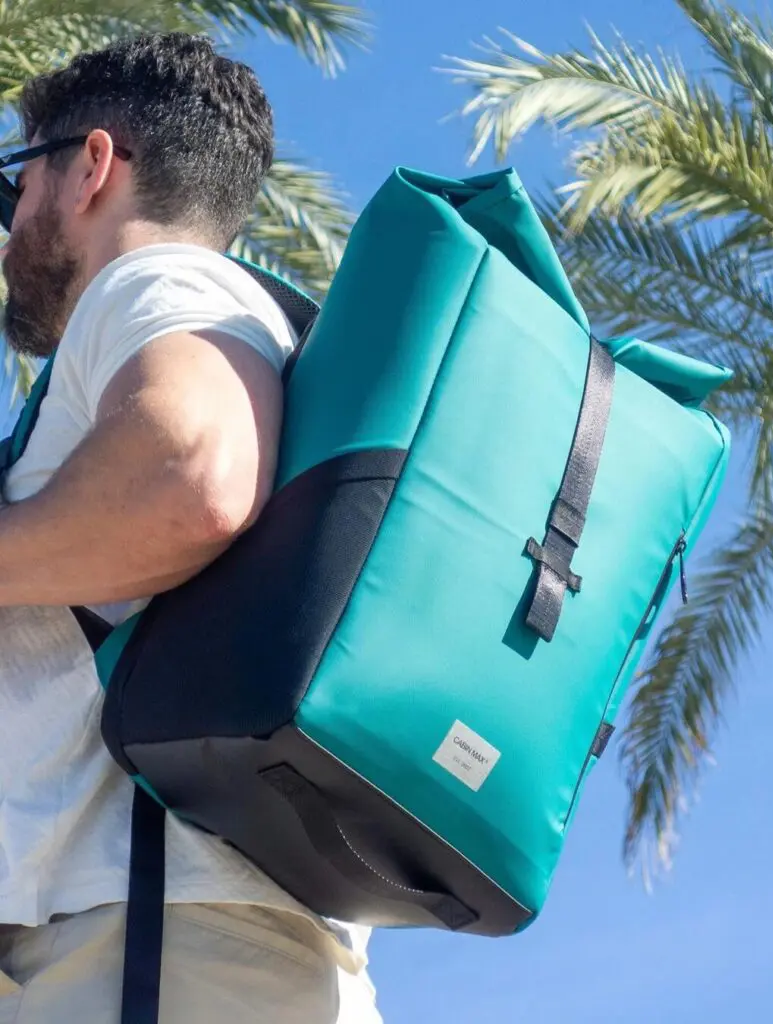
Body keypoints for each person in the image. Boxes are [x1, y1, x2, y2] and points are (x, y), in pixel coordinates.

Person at [0, 32, 380, 1024]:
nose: (9, 230)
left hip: (153, 950)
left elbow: (192, 478)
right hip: (189, 948)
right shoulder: (251, 328)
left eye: (13, 187)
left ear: (92, 165)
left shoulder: (156, 282)